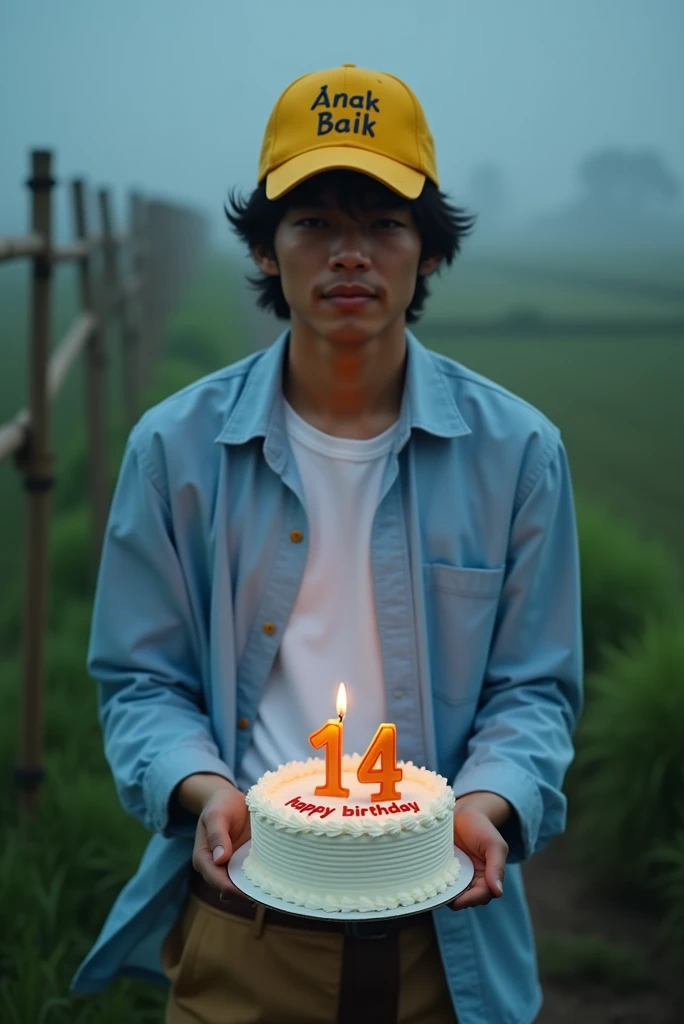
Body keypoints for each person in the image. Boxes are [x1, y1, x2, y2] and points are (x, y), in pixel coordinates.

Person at [71, 64, 583, 1024]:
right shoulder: (174, 451)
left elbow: (536, 688)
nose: (351, 254)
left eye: (385, 223)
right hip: (244, 930)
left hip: (450, 943)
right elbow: (141, 680)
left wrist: (488, 806)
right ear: (266, 249)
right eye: (314, 223)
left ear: (428, 251)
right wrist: (202, 785)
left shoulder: (518, 454)